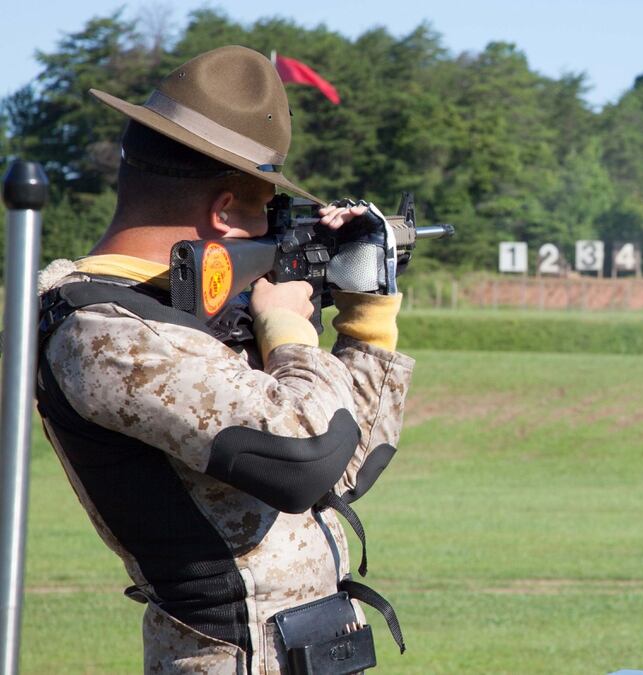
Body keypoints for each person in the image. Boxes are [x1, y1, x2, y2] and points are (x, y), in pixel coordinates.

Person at [35, 45, 412, 673]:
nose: (269, 232)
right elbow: (304, 458)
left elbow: (346, 465)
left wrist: (366, 318)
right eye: (266, 212)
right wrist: (289, 333)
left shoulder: (184, 316)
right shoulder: (104, 331)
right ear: (225, 211)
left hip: (309, 648)